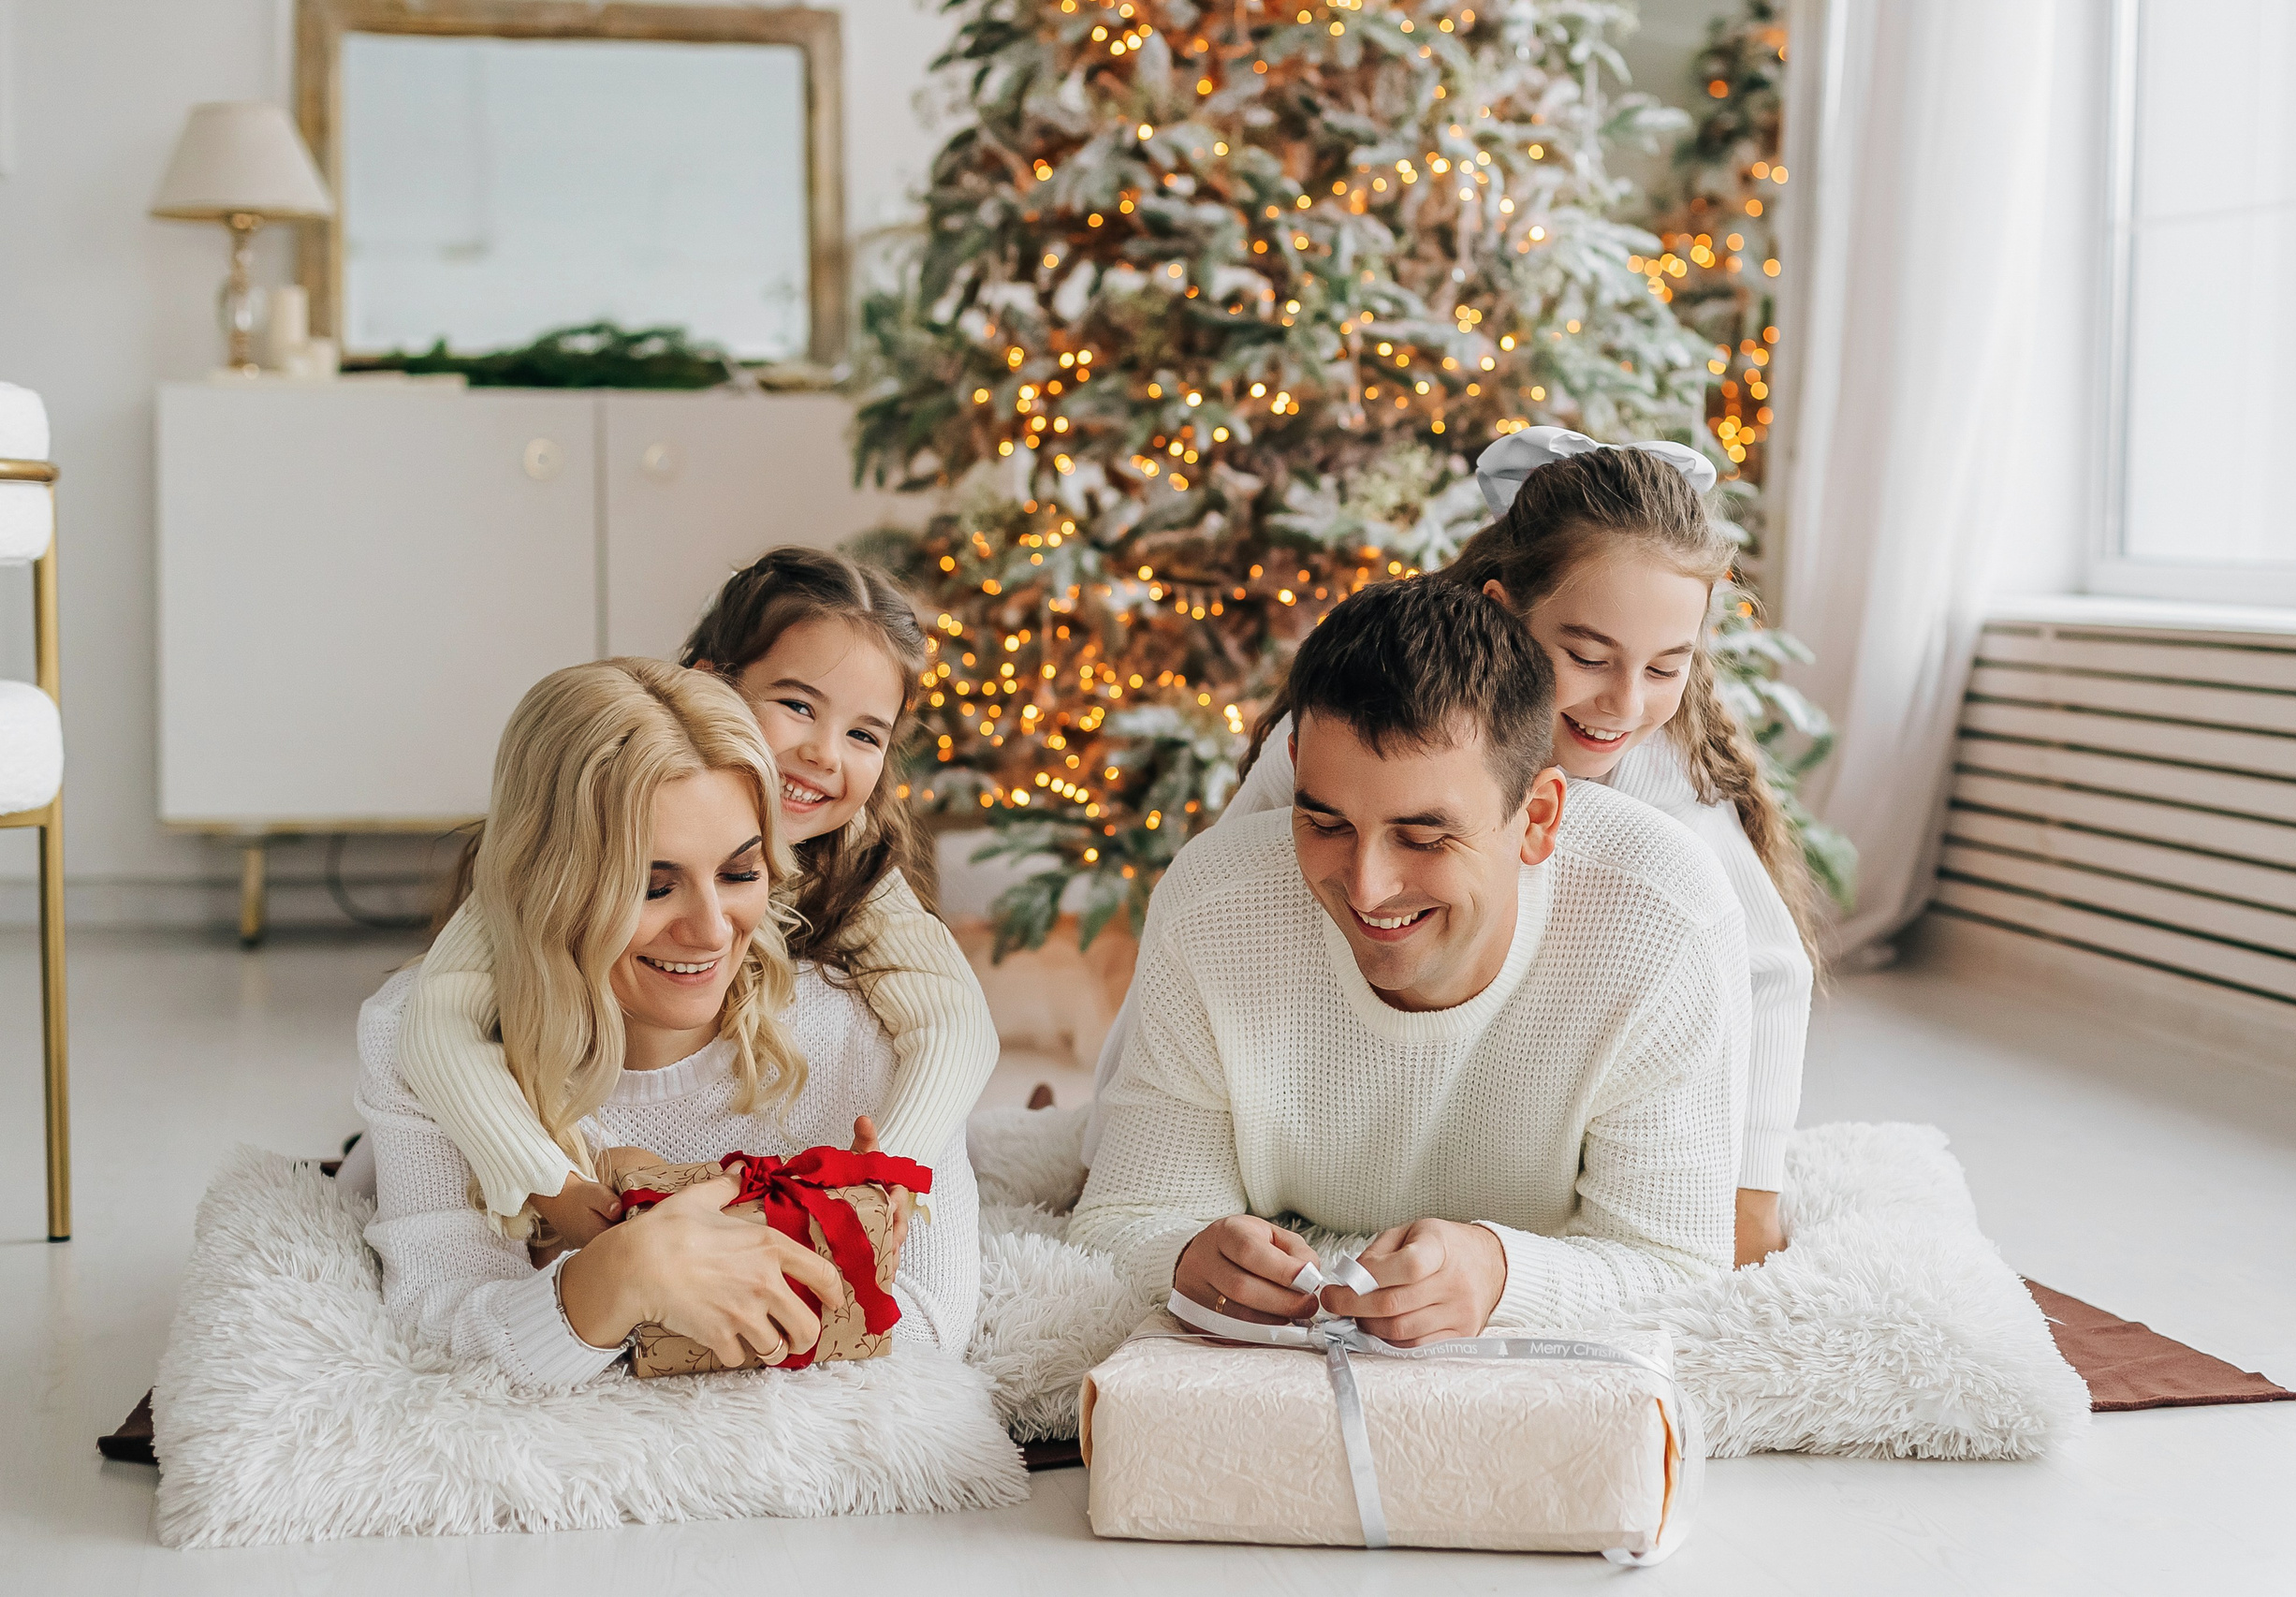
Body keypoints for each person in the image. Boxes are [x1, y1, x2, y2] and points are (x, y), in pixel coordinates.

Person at [1081, 431, 1812, 1266]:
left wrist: (1750, 1199)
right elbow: (1203, 936)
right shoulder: (1353, 737)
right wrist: (1116, 1148)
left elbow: (1766, 971)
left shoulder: (1652, 769)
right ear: (1504, 613)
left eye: (1664, 668)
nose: (1622, 702)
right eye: (1585, 656)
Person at [1067, 579, 1748, 1343]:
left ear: (1540, 817)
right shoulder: (1212, 908)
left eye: (1424, 838)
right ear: (1293, 767)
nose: (1366, 887)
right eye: (1324, 821)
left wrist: (1500, 1273)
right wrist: (1186, 1254)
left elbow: (1678, 1265)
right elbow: (1124, 1216)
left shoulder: (1666, 923)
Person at [358, 659, 978, 1386]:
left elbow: (928, 1329)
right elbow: (437, 1340)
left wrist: (653, 1279)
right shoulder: (417, 1035)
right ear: (550, 883)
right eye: (654, 886)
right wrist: (623, 1274)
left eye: (741, 874)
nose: (712, 931)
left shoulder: (865, 1026)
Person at [394, 549, 996, 1250]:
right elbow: (438, 1025)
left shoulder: (852, 861)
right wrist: (548, 1183)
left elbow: (954, 1020)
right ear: (712, 687)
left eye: (864, 734)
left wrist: (894, 1161)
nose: (825, 755)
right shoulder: (602, 821)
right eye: (799, 706)